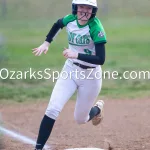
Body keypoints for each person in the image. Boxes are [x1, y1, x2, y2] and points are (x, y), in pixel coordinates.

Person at [32, 0, 107, 149]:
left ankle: (97, 109)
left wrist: (76, 54)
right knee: (52, 109)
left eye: (88, 7)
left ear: (93, 10)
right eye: (81, 6)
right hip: (70, 70)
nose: (84, 10)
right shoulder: (70, 19)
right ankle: (38, 148)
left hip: (91, 76)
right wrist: (47, 42)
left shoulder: (95, 27)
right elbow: (58, 24)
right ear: (75, 8)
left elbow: (101, 59)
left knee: (80, 119)